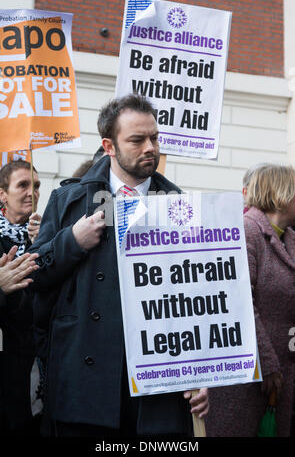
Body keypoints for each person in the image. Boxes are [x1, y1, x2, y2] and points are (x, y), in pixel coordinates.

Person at [30, 94, 209, 438]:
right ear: (109, 146)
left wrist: (202, 375)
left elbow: (199, 299)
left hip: (156, 382)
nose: (150, 148)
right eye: (137, 140)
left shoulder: (180, 205)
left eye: (155, 138)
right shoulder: (69, 200)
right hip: (85, 379)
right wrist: (71, 241)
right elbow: (34, 275)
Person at [206, 164, 295, 437]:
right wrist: (266, 363)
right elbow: (240, 302)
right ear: (282, 194)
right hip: (249, 376)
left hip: (283, 372)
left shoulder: (290, 237)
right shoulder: (245, 231)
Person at [0, 160, 42, 435]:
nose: (32, 192)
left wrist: (47, 243)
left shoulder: (44, 235)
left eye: (36, 185)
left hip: (38, 371)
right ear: (2, 194)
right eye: (23, 185)